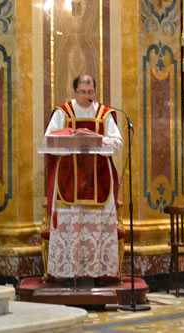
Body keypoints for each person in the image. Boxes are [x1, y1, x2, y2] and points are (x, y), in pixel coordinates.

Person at [44, 74, 123, 281]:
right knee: (74, 228)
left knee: (94, 229)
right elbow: (49, 140)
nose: (87, 96)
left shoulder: (104, 114)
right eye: (83, 92)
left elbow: (118, 143)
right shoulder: (63, 112)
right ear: (74, 92)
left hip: (99, 180)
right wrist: (71, 139)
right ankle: (69, 274)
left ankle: (98, 273)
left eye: (91, 92)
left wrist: (97, 140)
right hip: (68, 179)